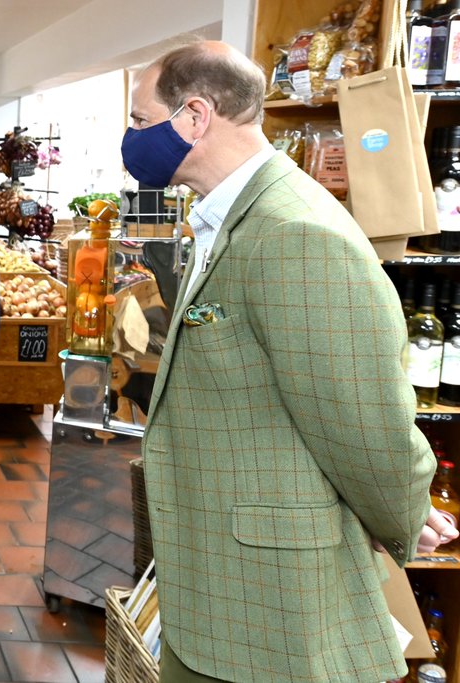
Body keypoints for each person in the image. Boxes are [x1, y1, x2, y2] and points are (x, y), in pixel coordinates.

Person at [126, 41, 459, 683]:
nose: (132, 137)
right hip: (218, 582)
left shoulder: (295, 234)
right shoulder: (232, 218)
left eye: (141, 121)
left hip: (267, 606)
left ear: (194, 117)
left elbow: (366, 425)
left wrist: (407, 512)